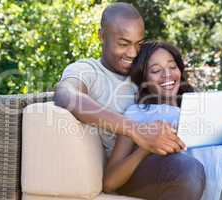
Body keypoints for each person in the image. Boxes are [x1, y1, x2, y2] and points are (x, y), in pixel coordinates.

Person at [54, 3, 205, 199]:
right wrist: (137, 131)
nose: (133, 53)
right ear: (101, 36)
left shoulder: (144, 70)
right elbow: (66, 95)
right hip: (130, 169)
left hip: (168, 153)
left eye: (138, 44)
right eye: (123, 44)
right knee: (186, 170)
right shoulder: (88, 70)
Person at [104, 40, 222, 200]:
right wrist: (145, 148)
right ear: (143, 78)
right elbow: (110, 181)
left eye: (172, 67)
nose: (167, 75)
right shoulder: (138, 113)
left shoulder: (197, 103)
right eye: (156, 70)